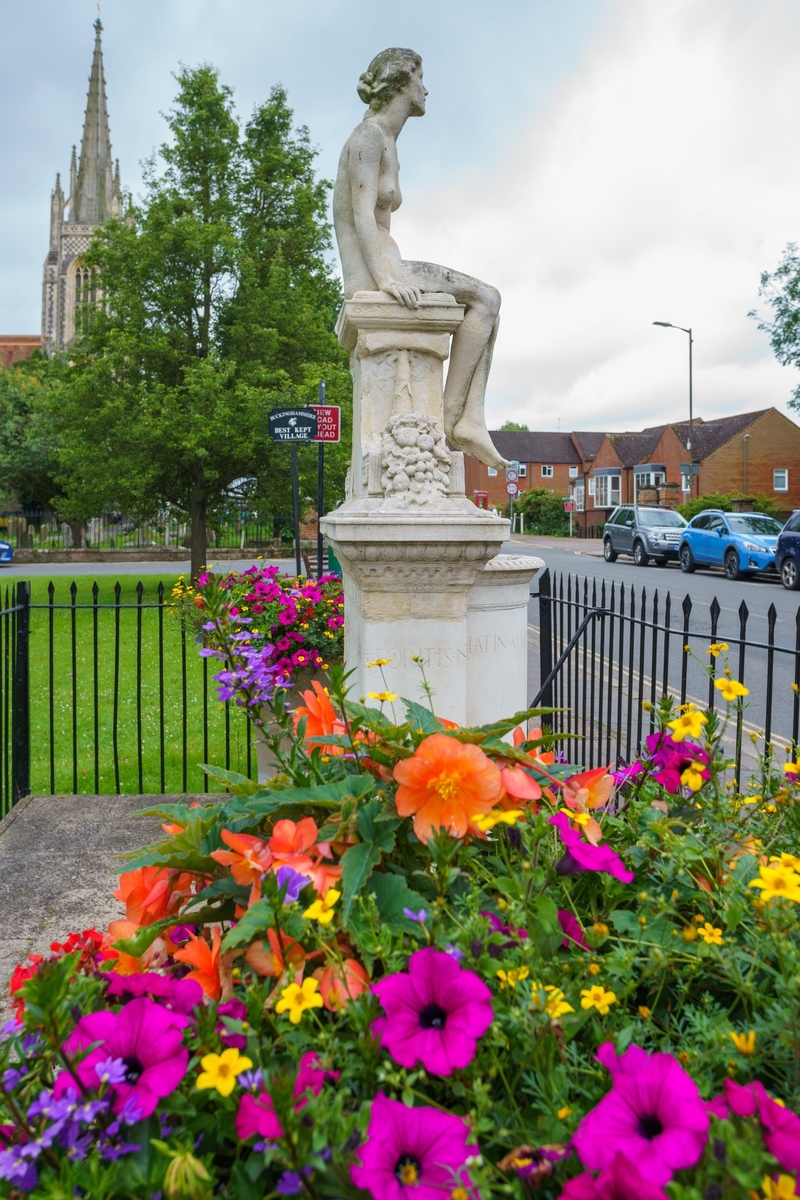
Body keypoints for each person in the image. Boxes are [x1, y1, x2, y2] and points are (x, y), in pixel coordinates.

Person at [333, 47, 509, 469]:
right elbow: (360, 216)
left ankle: (468, 418)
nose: (425, 88)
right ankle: (454, 420)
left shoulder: (387, 141)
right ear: (401, 82)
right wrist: (386, 280)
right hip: (378, 271)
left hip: (388, 263)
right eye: (420, 78)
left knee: (489, 304)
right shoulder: (369, 137)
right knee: (487, 298)